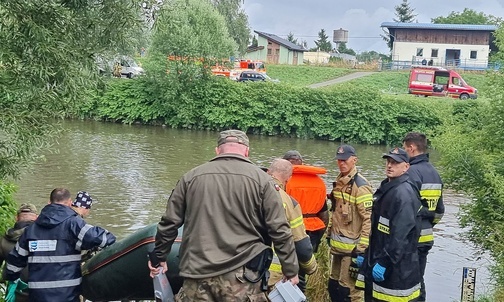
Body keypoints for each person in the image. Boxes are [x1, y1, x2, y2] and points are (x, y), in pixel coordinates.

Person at [150, 130, 299, 301]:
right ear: (247, 151)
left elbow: (169, 223)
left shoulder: (190, 178)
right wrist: (290, 270)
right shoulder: (264, 182)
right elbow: (279, 230)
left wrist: (159, 257)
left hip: (197, 274)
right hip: (242, 279)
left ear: (218, 150)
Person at [5, 188, 116, 302]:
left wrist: (12, 278)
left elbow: (14, 261)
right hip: (67, 296)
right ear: (69, 202)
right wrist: (110, 239)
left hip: (38, 296)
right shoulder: (74, 224)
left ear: (50, 202)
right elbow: (99, 238)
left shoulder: (31, 230)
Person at [356, 148, 422, 302]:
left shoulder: (404, 194)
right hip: (379, 258)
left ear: (406, 167)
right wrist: (366, 254)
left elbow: (399, 236)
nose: (389, 166)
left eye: (395, 163)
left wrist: (384, 262)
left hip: (396, 268)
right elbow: (378, 229)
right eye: (388, 161)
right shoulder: (388, 187)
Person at [327, 144, 373, 302]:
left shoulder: (360, 187)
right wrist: (328, 234)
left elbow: (369, 219)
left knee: (348, 291)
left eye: (344, 160)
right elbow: (336, 212)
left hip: (353, 250)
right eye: (339, 160)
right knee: (333, 287)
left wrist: (362, 249)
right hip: (338, 247)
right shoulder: (340, 182)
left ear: (354, 160)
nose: (341, 163)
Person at [403, 132, 444, 302]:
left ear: (411, 148)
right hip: (426, 238)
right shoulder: (435, 173)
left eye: (405, 148)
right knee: (419, 281)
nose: (404, 152)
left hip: (411, 238)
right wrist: (428, 224)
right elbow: (440, 211)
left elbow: (406, 209)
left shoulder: (411, 172)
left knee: (406, 285)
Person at [266, 158, 317, 293]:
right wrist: (311, 267)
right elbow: (301, 244)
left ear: (268, 172)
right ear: (288, 179)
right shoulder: (289, 202)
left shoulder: (249, 191)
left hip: (243, 271)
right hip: (272, 274)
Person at [283, 150, 329, 253]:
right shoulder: (319, 182)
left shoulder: (284, 181)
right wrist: (318, 238)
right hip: (313, 232)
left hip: (291, 232)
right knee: (307, 265)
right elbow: (325, 217)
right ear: (301, 163)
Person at [0, 204, 38, 302]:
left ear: (16, 218)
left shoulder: (4, 241)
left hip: (15, 293)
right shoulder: (45, 237)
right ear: (37, 218)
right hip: (41, 292)